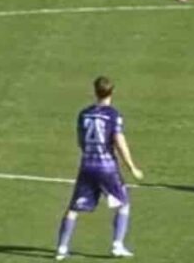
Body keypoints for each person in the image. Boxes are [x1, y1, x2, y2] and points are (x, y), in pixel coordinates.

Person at [53, 75, 142, 261]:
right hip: (107, 167)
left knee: (73, 208)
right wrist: (131, 166)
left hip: (87, 166)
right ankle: (117, 245)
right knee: (123, 203)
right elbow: (119, 141)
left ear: (95, 91)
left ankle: (61, 248)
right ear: (112, 92)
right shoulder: (113, 115)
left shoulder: (84, 113)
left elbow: (80, 140)